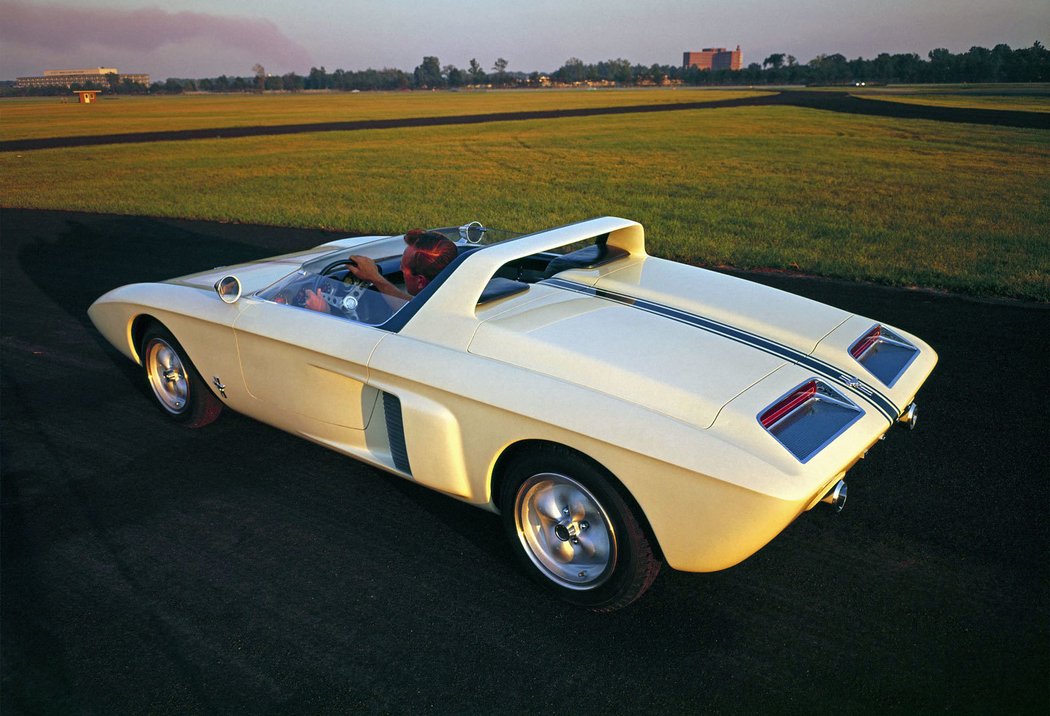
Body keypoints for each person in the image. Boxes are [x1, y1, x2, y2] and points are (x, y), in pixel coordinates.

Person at [346, 228, 458, 302]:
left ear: (420, 281)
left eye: (403, 267)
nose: (400, 269)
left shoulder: (434, 316)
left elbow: (413, 310)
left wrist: (375, 277)